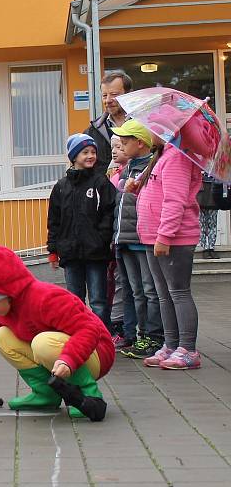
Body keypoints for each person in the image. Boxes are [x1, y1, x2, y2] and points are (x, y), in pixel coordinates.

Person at [0, 245, 115, 418]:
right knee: (1, 337)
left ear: (5, 293)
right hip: (62, 354)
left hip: (96, 352)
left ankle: (88, 394)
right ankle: (46, 394)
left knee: (42, 343)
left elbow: (89, 329)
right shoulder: (3, 309)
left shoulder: (46, 298)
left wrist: (68, 360)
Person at [130, 107, 220, 369]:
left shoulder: (178, 158)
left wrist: (165, 236)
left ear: (165, 130)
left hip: (173, 238)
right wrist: (136, 189)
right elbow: (157, 197)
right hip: (153, 236)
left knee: (178, 292)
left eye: (150, 127)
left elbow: (175, 202)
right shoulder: (161, 156)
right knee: (163, 294)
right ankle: (170, 345)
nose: (146, 133)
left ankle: (188, 349)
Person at [110, 119, 164, 360]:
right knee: (135, 291)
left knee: (149, 290)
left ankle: (154, 336)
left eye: (125, 141)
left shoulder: (150, 167)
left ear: (140, 143)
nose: (120, 145)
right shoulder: (129, 167)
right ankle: (140, 335)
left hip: (142, 238)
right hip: (125, 238)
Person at [47, 134, 115, 327]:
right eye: (85, 152)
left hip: (96, 254)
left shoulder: (101, 183)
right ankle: (78, 334)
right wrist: (53, 249)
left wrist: (101, 239)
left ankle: (102, 336)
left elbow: (109, 213)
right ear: (74, 156)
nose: (90, 156)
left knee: (98, 301)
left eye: (93, 152)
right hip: (70, 253)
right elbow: (54, 220)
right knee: (74, 301)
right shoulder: (61, 187)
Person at [107, 135, 137, 349]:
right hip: (118, 237)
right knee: (120, 283)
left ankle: (127, 329)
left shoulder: (130, 175)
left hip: (130, 237)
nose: (115, 151)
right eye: (113, 148)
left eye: (120, 146)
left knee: (129, 286)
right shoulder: (116, 175)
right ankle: (121, 327)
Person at [86, 70, 133, 173]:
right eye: (104, 95)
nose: (108, 100)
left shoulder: (144, 126)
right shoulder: (92, 132)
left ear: (128, 94)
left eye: (114, 94)